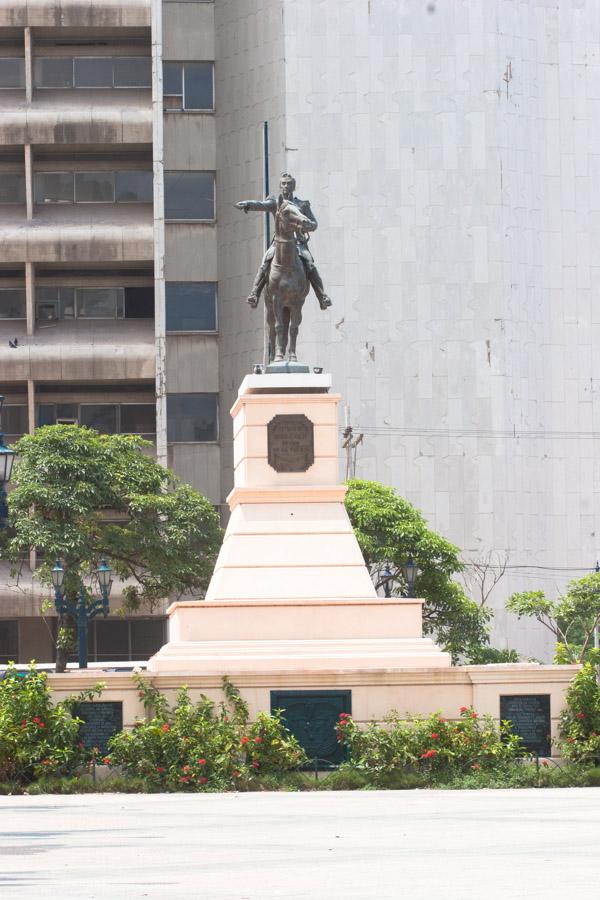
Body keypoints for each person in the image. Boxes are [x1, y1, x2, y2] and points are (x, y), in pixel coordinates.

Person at [236, 173, 333, 310]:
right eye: (283, 183)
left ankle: (322, 296)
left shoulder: (302, 205)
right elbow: (261, 205)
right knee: (265, 263)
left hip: (298, 243)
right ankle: (254, 294)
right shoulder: (275, 202)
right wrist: (248, 204)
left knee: (310, 264)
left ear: (293, 186)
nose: (286, 186)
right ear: (280, 186)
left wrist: (308, 226)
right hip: (279, 243)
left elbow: (314, 223)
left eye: (289, 183)